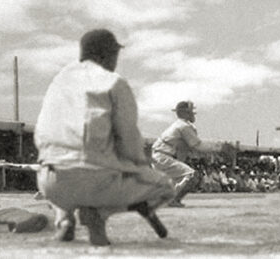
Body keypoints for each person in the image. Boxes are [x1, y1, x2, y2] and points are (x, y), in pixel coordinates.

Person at [34, 29, 175, 246]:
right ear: (108, 55)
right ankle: (99, 215)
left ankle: (63, 219)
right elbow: (129, 139)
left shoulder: (58, 81)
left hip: (49, 184)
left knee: (63, 174)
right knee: (166, 187)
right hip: (95, 180)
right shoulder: (113, 82)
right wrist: (139, 169)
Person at [152, 101, 225, 207]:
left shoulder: (180, 126)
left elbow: (183, 150)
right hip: (163, 157)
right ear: (185, 113)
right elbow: (198, 146)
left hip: (160, 157)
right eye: (190, 111)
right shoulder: (184, 126)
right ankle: (173, 200)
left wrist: (181, 164)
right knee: (192, 176)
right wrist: (220, 148)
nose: (193, 114)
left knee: (176, 183)